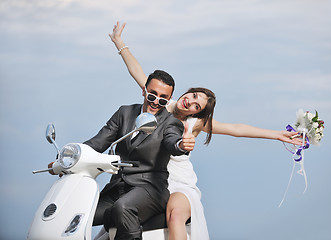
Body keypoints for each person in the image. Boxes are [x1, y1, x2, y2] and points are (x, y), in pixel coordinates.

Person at [109, 21, 302, 240]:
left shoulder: (194, 124)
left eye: (196, 106)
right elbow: (138, 73)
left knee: (175, 217)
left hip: (177, 182)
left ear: (198, 113)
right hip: (147, 180)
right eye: (192, 96)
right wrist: (119, 41)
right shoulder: (162, 102)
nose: (190, 103)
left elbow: (236, 129)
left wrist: (277, 134)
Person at [83, 69, 196, 240]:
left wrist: (181, 144)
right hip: (117, 189)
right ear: (144, 91)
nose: (156, 101)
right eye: (152, 95)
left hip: (149, 190)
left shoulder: (170, 123)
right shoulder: (125, 113)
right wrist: (69, 157)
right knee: (79, 211)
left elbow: (172, 142)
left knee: (122, 208)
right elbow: (98, 142)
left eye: (163, 98)